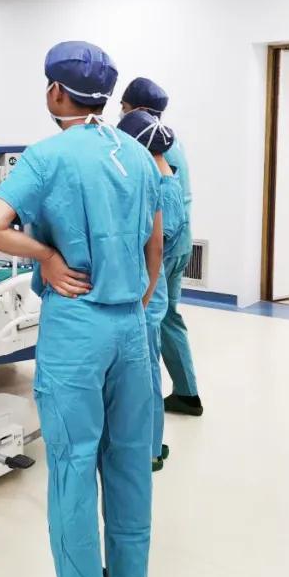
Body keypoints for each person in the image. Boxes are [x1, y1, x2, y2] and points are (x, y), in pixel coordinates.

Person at [0, 41, 162, 577]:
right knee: (129, 456)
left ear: (56, 92)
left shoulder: (46, 157)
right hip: (130, 326)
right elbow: (155, 246)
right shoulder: (137, 154)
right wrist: (132, 298)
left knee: (74, 462)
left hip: (77, 327)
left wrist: (48, 258)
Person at [122, 78, 202, 417]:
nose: (121, 114)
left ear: (139, 110)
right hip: (180, 243)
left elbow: (156, 221)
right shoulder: (172, 141)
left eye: (125, 109)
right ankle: (186, 392)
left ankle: (147, 419)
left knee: (150, 325)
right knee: (169, 316)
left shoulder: (149, 149)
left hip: (164, 247)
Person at [118, 110, 189, 473]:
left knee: (145, 371)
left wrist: (144, 296)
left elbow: (157, 247)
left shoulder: (162, 187)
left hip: (149, 289)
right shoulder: (164, 178)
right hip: (149, 286)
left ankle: (149, 450)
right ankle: (146, 442)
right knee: (142, 369)